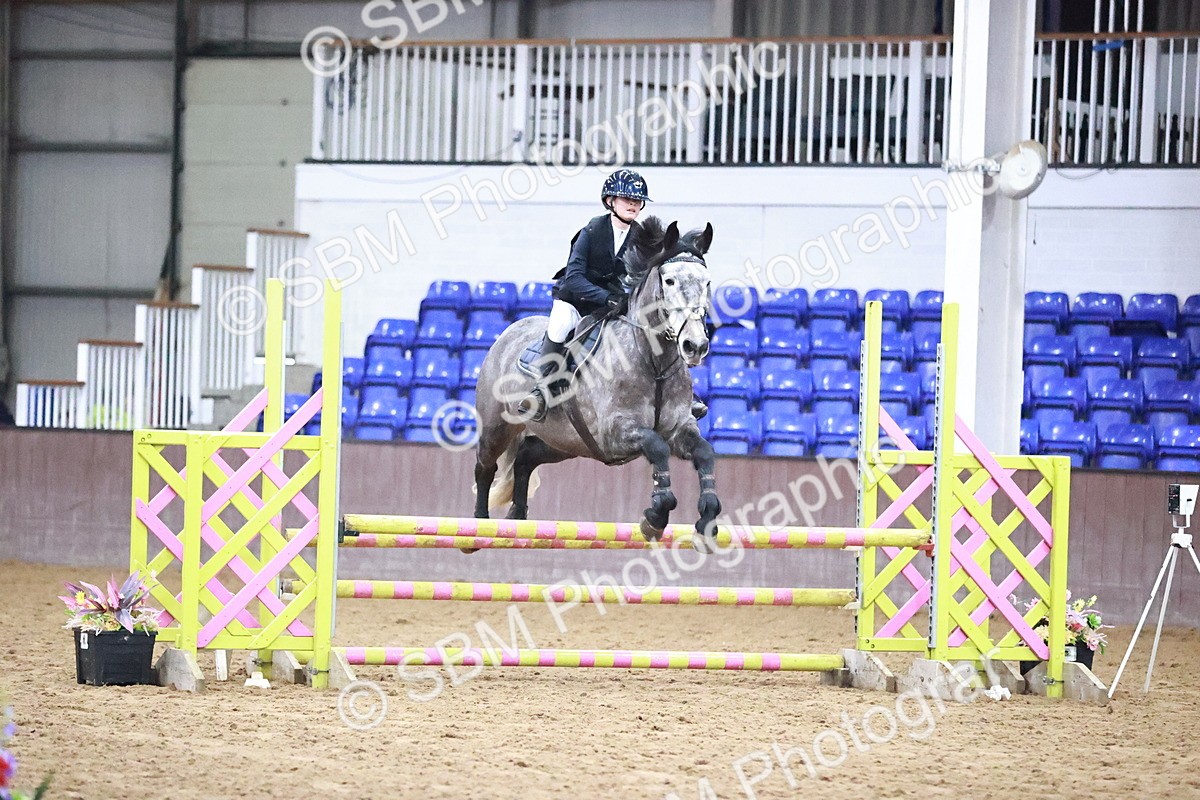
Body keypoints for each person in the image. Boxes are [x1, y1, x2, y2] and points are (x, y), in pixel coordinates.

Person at [516, 169, 708, 422]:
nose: (633, 203)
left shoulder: (642, 237)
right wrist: (605, 297)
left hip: (615, 305)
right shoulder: (592, 230)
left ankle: (681, 393)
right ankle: (542, 391)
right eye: (626, 198)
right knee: (560, 325)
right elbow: (574, 277)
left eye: (637, 200)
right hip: (577, 299)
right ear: (610, 201)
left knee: (661, 324)